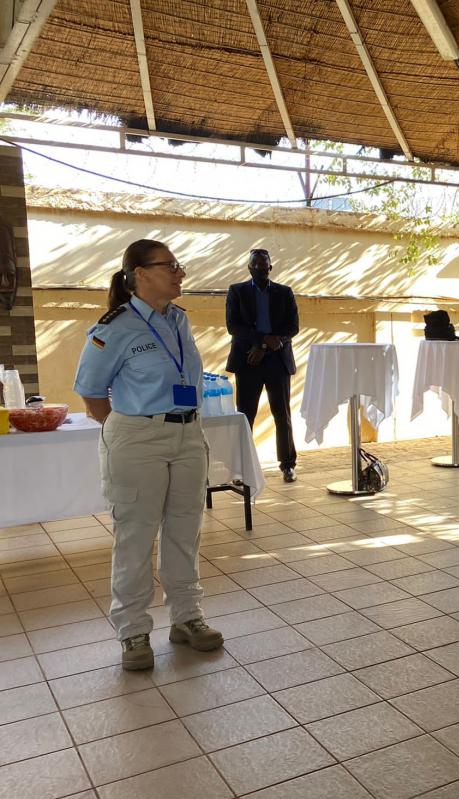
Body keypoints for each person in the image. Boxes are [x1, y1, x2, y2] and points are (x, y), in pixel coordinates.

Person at [74, 239, 224, 671]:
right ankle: (133, 631)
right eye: (170, 266)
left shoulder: (178, 319)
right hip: (137, 437)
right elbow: (91, 394)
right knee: (136, 536)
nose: (181, 273)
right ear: (140, 274)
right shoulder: (114, 327)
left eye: (179, 265)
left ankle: (187, 617)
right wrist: (134, 430)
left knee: (185, 529)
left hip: (188, 433)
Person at [225, 249, 300, 482]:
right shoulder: (237, 291)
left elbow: (292, 327)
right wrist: (260, 341)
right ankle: (241, 468)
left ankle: (288, 465)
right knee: (245, 415)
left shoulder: (284, 292)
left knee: (282, 415)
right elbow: (233, 326)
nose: (260, 269)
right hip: (248, 360)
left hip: (277, 360)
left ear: (270, 267)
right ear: (249, 268)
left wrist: (265, 346)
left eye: (264, 265)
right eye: (255, 265)